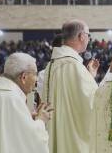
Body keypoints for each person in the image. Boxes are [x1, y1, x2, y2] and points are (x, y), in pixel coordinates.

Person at [41, 19, 99, 153]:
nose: (88, 40)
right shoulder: (74, 66)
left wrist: (89, 76)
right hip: (71, 139)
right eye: (88, 36)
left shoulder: (52, 65)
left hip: (56, 132)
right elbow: (93, 103)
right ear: (81, 36)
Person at [0, 53, 53, 153]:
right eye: (35, 74)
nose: (37, 79)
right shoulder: (13, 98)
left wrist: (27, 118)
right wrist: (41, 120)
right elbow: (32, 140)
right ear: (24, 77)